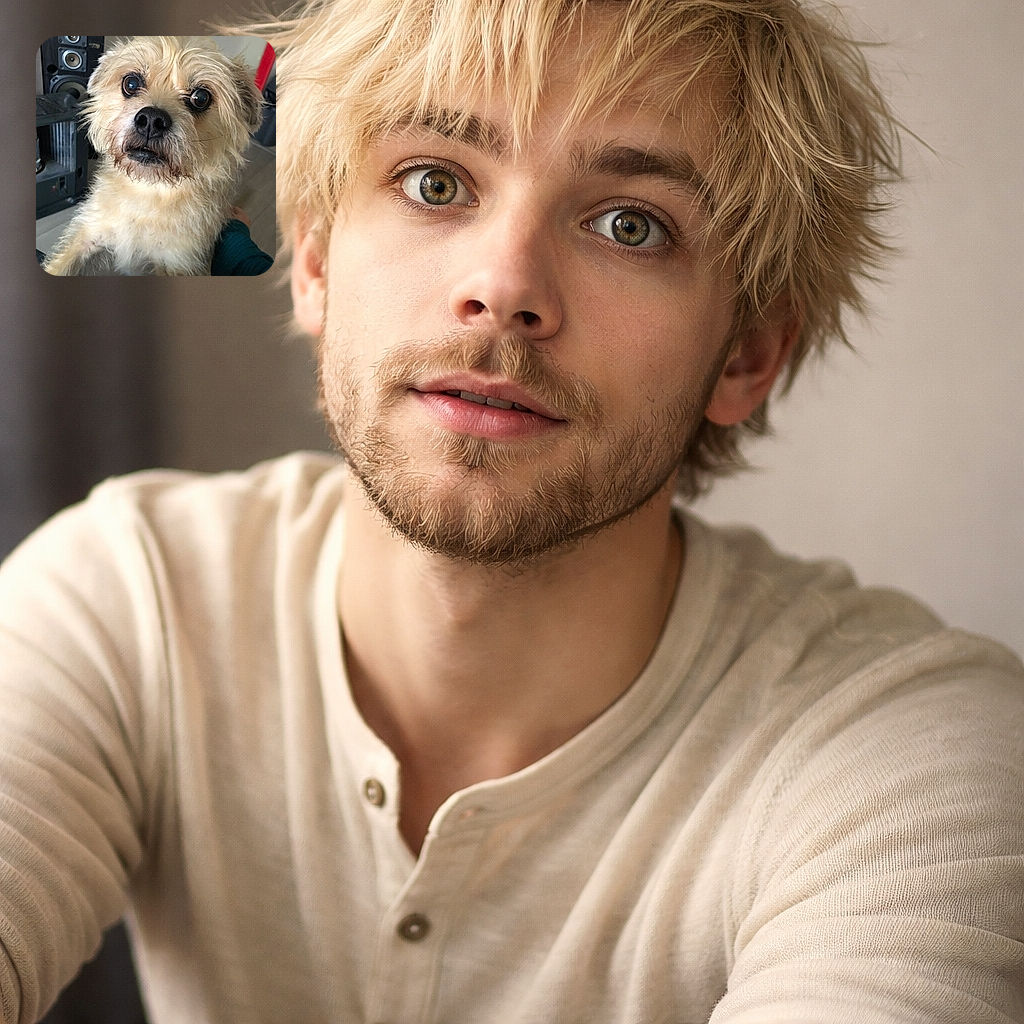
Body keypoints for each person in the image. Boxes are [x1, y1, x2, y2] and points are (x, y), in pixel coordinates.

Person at [2, 1, 1023, 1022]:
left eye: (630, 224)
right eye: (433, 182)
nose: (504, 286)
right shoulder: (126, 599)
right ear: (312, 258)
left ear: (747, 354)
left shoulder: (917, 759)